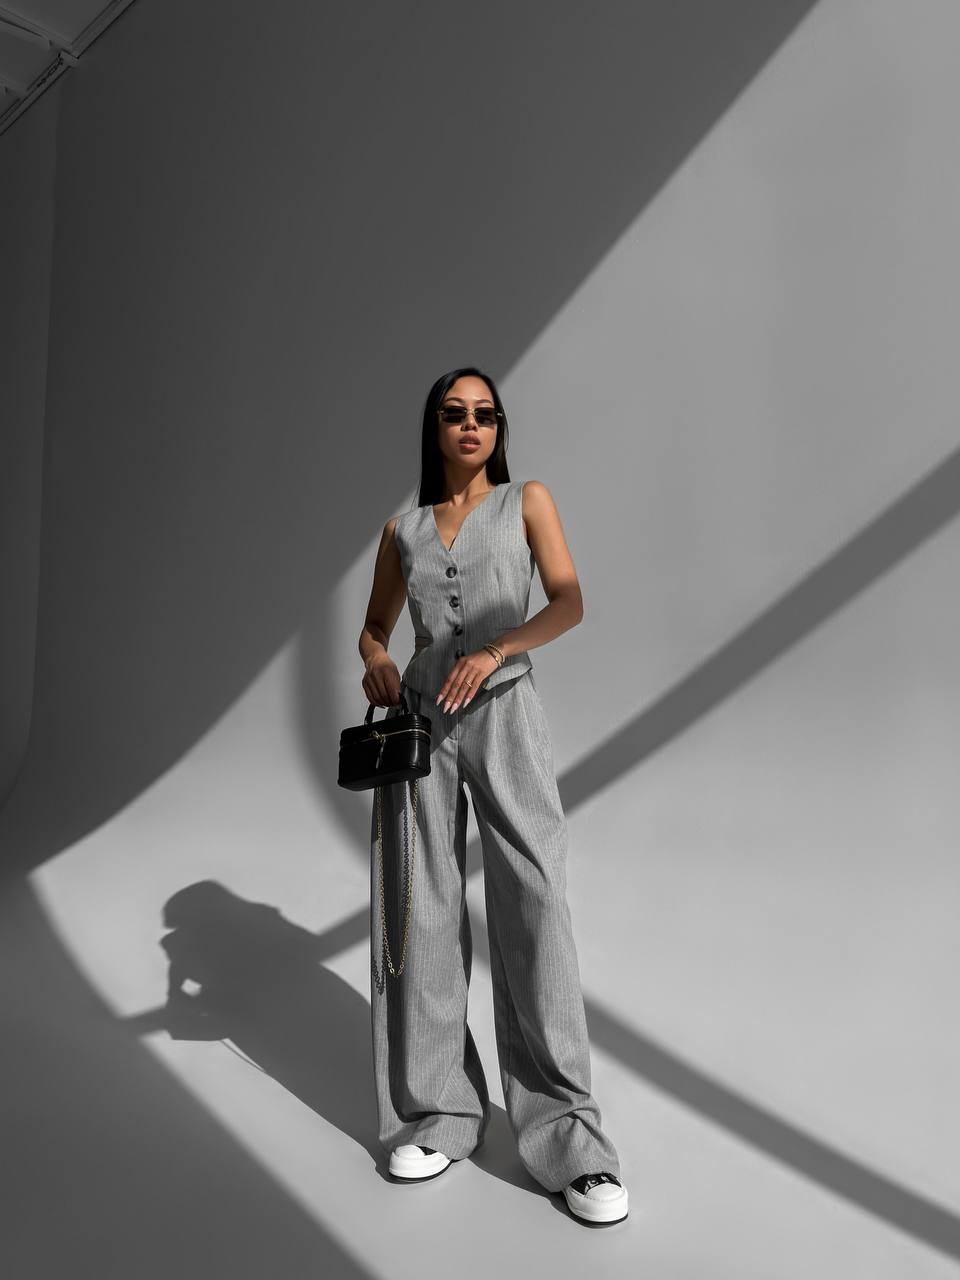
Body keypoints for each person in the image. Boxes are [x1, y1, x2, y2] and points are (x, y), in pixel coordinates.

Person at [357, 366, 628, 1226]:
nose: (470, 426)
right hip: (422, 727)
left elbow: (571, 599)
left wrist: (500, 647)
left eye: (484, 415)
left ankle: (570, 1142)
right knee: (422, 911)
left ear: (498, 428)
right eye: (453, 414)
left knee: (535, 903)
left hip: (507, 715)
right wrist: (375, 661)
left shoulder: (527, 503)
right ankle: (440, 1113)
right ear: (434, 428)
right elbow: (374, 624)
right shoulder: (402, 529)